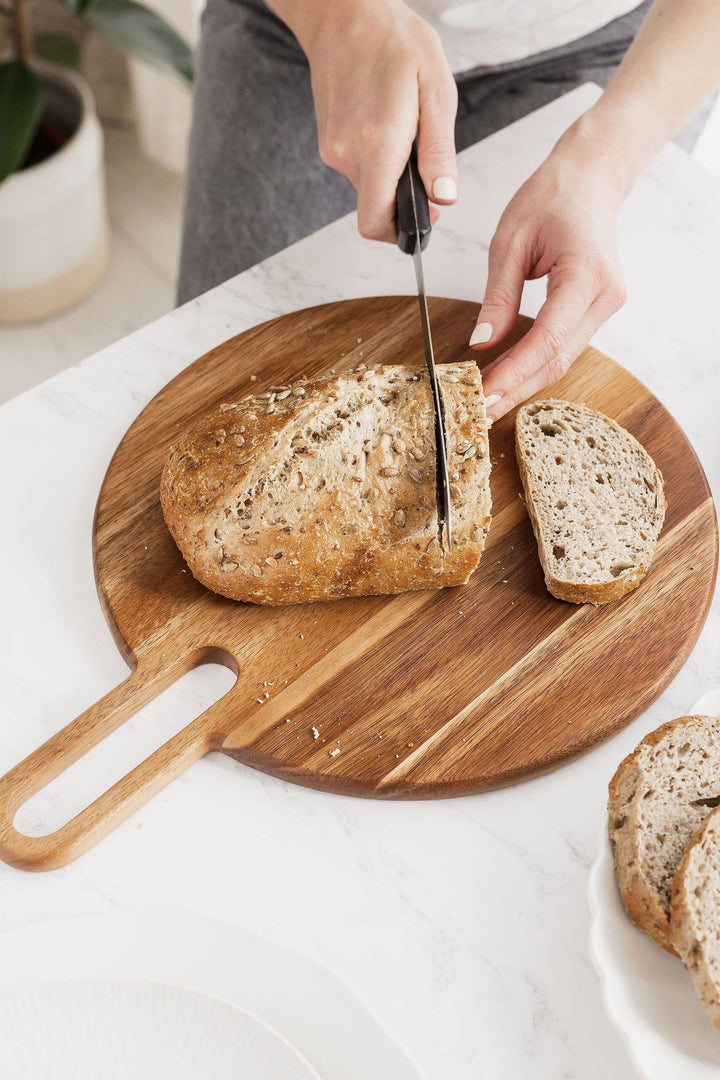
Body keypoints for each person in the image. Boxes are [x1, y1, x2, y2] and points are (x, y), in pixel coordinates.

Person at [179, 0, 720, 423]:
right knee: (216, 357)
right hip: (301, 27)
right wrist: (331, 15)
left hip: (623, 43)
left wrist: (602, 161)